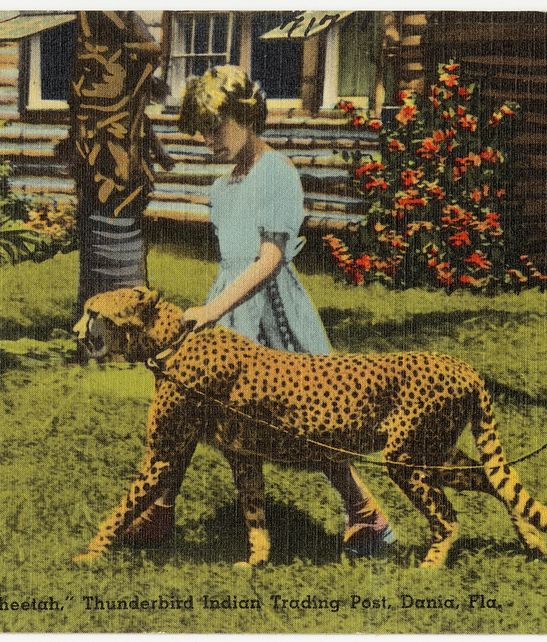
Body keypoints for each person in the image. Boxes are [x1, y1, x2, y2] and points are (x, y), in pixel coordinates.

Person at [124, 66, 394, 557]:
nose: (209, 141)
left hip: (270, 311)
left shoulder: (278, 173)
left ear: (245, 116)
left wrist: (211, 309)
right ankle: (160, 510)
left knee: (309, 420)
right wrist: (214, 310)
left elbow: (268, 260)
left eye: (215, 128)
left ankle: (365, 514)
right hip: (226, 311)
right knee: (188, 407)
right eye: (201, 133)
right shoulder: (222, 188)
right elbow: (232, 260)